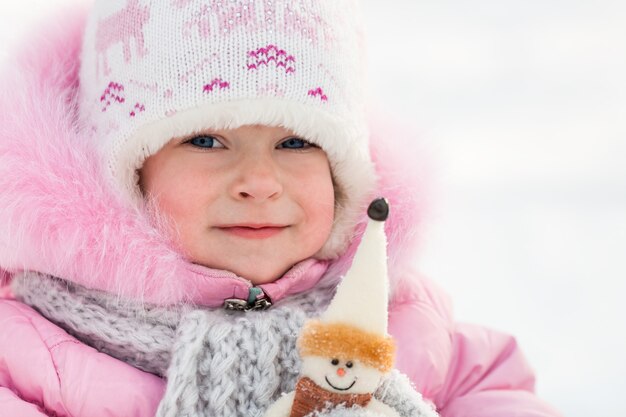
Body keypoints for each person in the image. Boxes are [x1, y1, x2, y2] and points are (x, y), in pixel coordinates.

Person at [0, 1, 563, 416]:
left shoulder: (408, 330)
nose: (259, 182)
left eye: (295, 143)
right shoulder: (27, 356)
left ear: (344, 177)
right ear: (125, 174)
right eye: (205, 140)